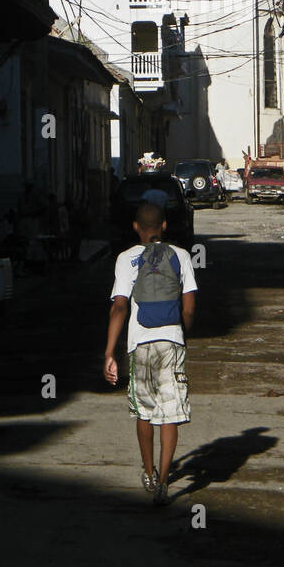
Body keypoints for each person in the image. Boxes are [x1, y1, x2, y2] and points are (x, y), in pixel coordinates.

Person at [104, 201, 197, 505]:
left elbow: (119, 306)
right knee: (168, 413)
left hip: (139, 342)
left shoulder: (125, 259)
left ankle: (149, 472)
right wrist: (182, 332)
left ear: (135, 227)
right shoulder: (181, 256)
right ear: (164, 226)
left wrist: (109, 352)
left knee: (144, 411)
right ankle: (164, 481)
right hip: (171, 339)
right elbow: (189, 306)